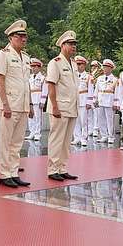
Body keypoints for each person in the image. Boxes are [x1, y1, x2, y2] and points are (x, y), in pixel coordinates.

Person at [0, 20, 32, 188]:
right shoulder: (3, 54)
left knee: (17, 142)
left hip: (22, 104)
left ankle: (14, 172)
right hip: (9, 103)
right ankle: (4, 174)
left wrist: (30, 104)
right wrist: (5, 104)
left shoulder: (26, 57)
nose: (23, 39)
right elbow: (0, 80)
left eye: (25, 36)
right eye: (20, 36)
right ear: (11, 38)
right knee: (6, 141)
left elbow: (26, 82)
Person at [45, 31, 80, 181]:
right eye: (71, 44)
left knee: (66, 142)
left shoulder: (73, 63)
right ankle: (53, 169)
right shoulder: (55, 63)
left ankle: (62, 167)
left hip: (71, 107)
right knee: (57, 139)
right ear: (63, 45)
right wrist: (54, 106)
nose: (74, 47)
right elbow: (51, 85)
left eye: (75, 44)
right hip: (59, 107)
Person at [71, 56, 94, 147]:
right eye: (77, 64)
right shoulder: (73, 75)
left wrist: (89, 102)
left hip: (84, 99)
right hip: (75, 100)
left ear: (84, 65)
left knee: (84, 120)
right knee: (75, 120)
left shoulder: (88, 77)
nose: (78, 66)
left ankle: (84, 138)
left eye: (80, 64)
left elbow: (91, 90)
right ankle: (77, 137)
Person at [95, 59, 118, 144]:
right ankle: (104, 135)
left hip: (109, 100)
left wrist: (115, 103)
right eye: (104, 67)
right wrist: (95, 99)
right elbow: (96, 89)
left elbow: (117, 92)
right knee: (101, 119)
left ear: (111, 68)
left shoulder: (115, 79)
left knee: (110, 119)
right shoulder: (99, 78)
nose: (105, 69)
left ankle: (111, 136)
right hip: (101, 100)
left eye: (107, 67)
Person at [26, 58, 46, 141]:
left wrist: (42, 101)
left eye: (35, 66)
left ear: (39, 67)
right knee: (30, 117)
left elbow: (45, 90)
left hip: (38, 99)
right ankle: (32, 132)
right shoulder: (29, 77)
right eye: (32, 66)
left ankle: (37, 133)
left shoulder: (42, 78)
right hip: (30, 99)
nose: (33, 68)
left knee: (38, 117)